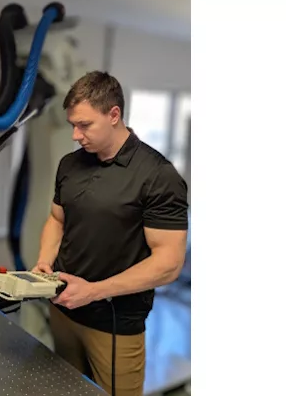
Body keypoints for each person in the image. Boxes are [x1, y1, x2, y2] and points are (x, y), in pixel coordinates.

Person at [32, 71, 189, 396]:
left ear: (114, 114)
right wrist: (45, 262)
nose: (75, 134)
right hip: (62, 307)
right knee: (68, 389)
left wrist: (94, 291)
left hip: (114, 323)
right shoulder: (70, 165)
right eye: (72, 124)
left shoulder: (158, 175)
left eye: (84, 125)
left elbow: (169, 263)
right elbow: (56, 220)